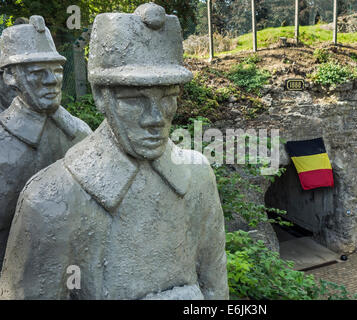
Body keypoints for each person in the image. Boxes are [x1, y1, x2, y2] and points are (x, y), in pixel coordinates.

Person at [0, 3, 228, 300]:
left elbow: (215, 290)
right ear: (100, 96)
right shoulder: (49, 198)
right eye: (134, 99)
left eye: (168, 97)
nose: (156, 118)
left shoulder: (198, 176)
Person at [0, 16, 92, 270]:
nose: (52, 80)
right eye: (38, 72)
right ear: (9, 76)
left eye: (58, 70)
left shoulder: (80, 134)